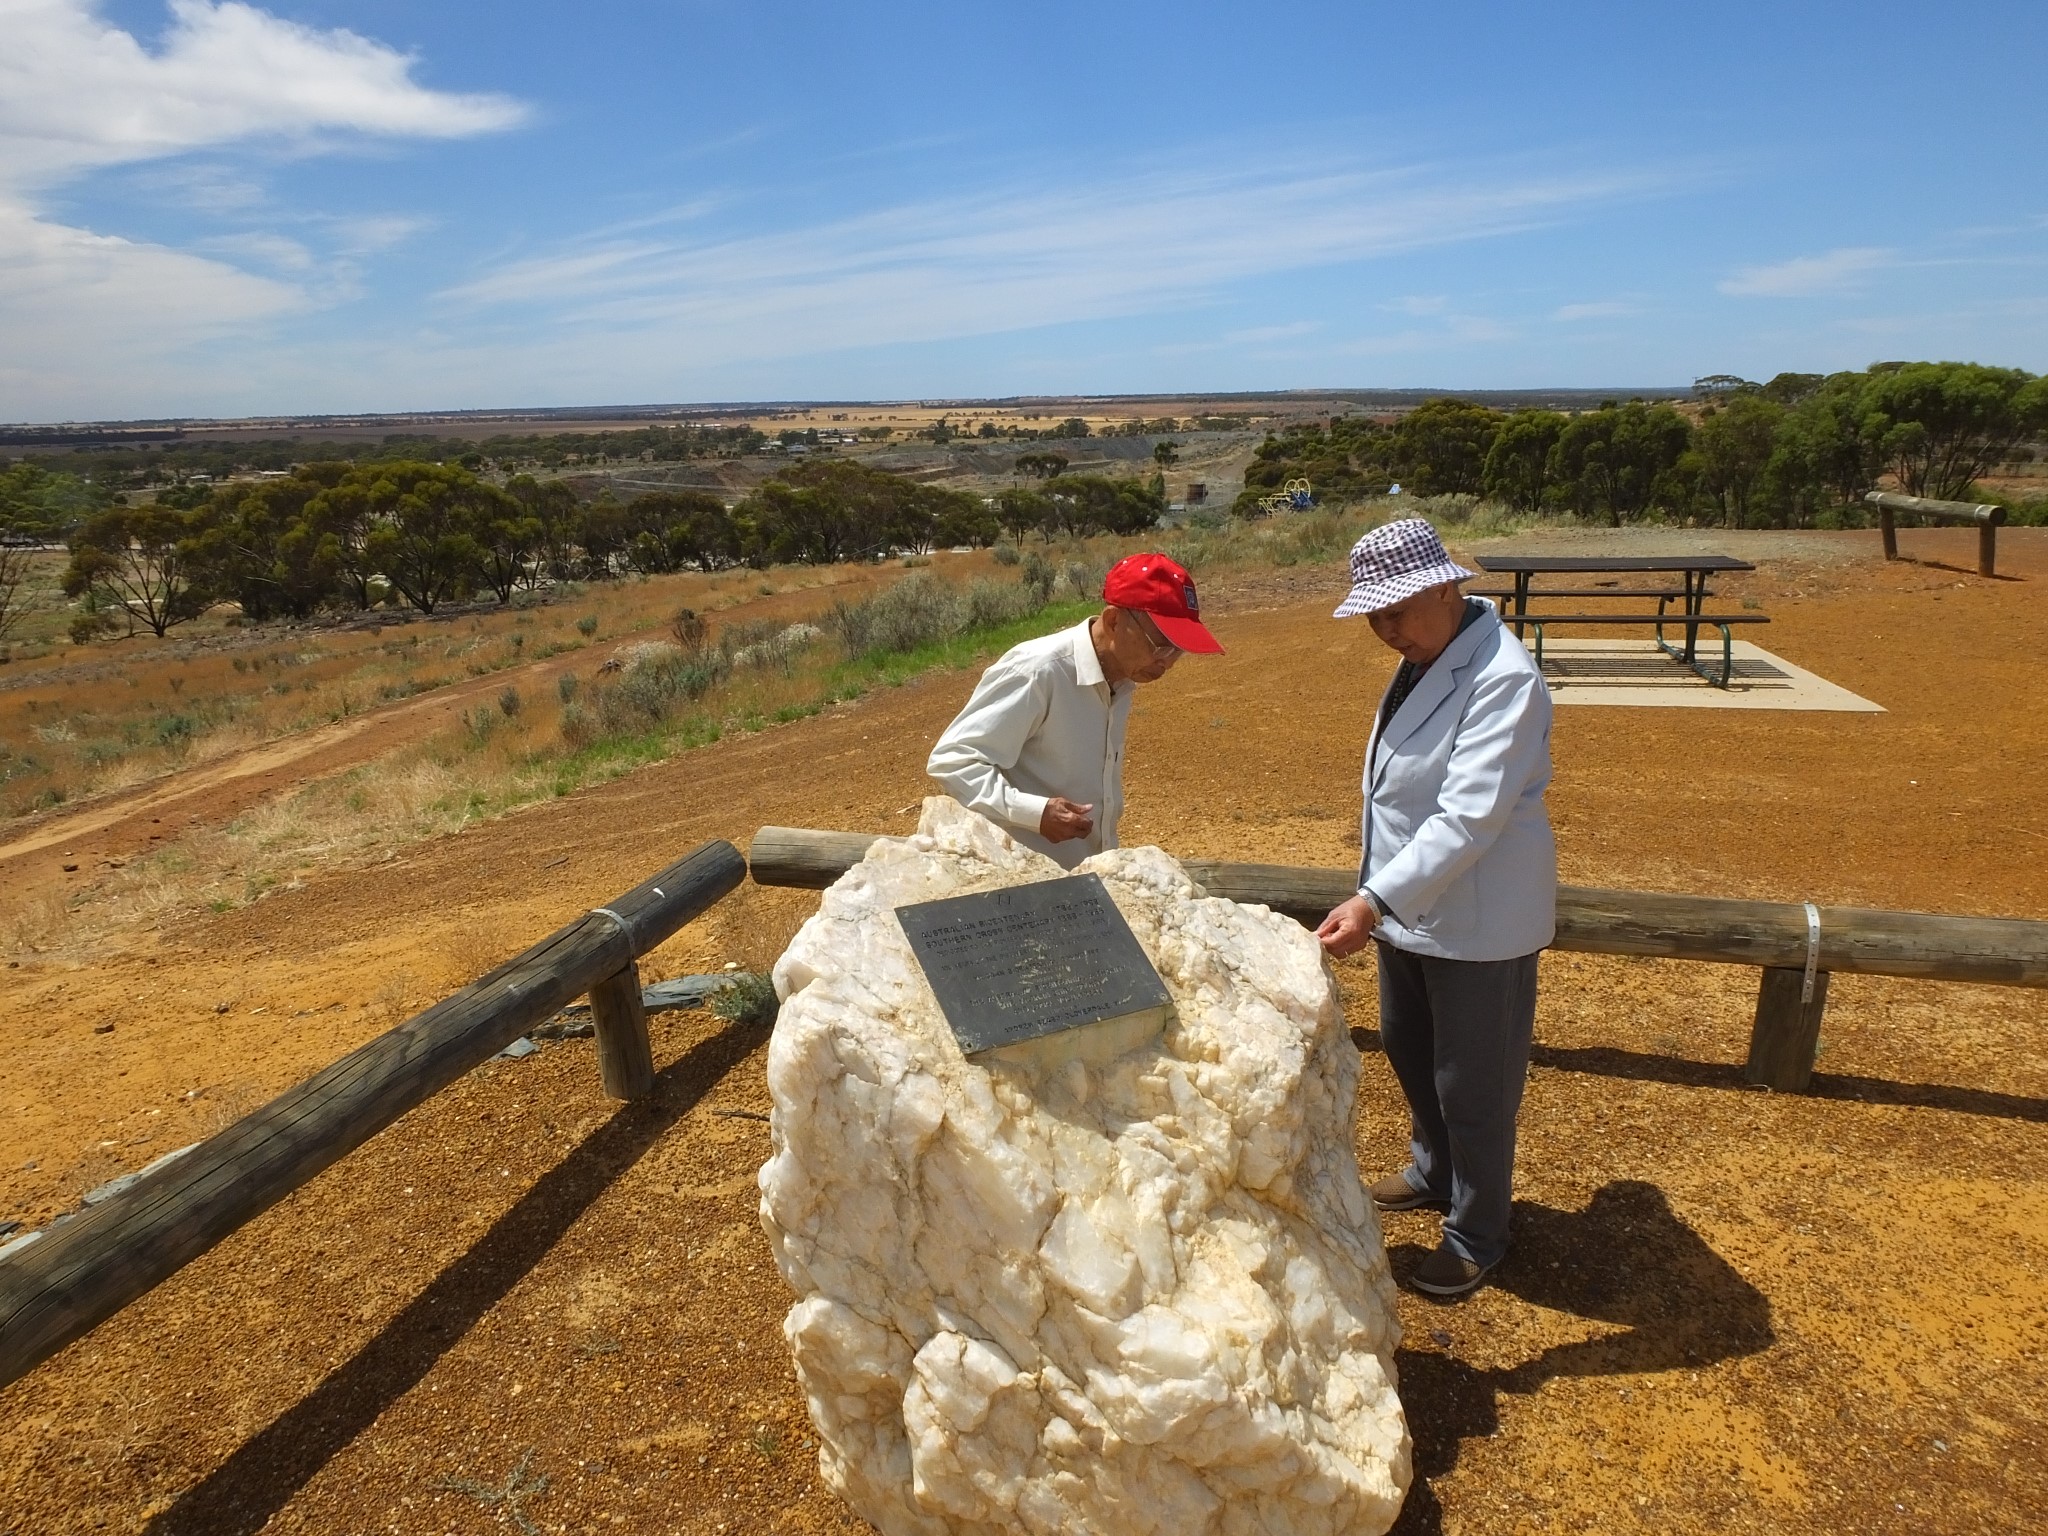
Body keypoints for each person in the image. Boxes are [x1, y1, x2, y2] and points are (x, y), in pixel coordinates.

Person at [1314, 519, 1556, 1299]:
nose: (1386, 631)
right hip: (1408, 906)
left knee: (1473, 1085)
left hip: (1478, 918)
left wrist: (1375, 898)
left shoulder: (1503, 678)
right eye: (1375, 617)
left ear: (1447, 588)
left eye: (1398, 612)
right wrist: (1384, 898)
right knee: (1411, 1050)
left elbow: (1469, 818)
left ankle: (1478, 1230)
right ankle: (1434, 1169)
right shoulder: (1430, 655)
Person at [927, 552, 1222, 867]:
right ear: (1113, 621)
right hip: (1025, 881)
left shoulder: (1121, 679)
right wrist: (1035, 814)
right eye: (1160, 644)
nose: (1166, 661)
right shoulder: (1038, 671)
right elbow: (953, 762)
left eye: (1179, 650)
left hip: (1085, 880)